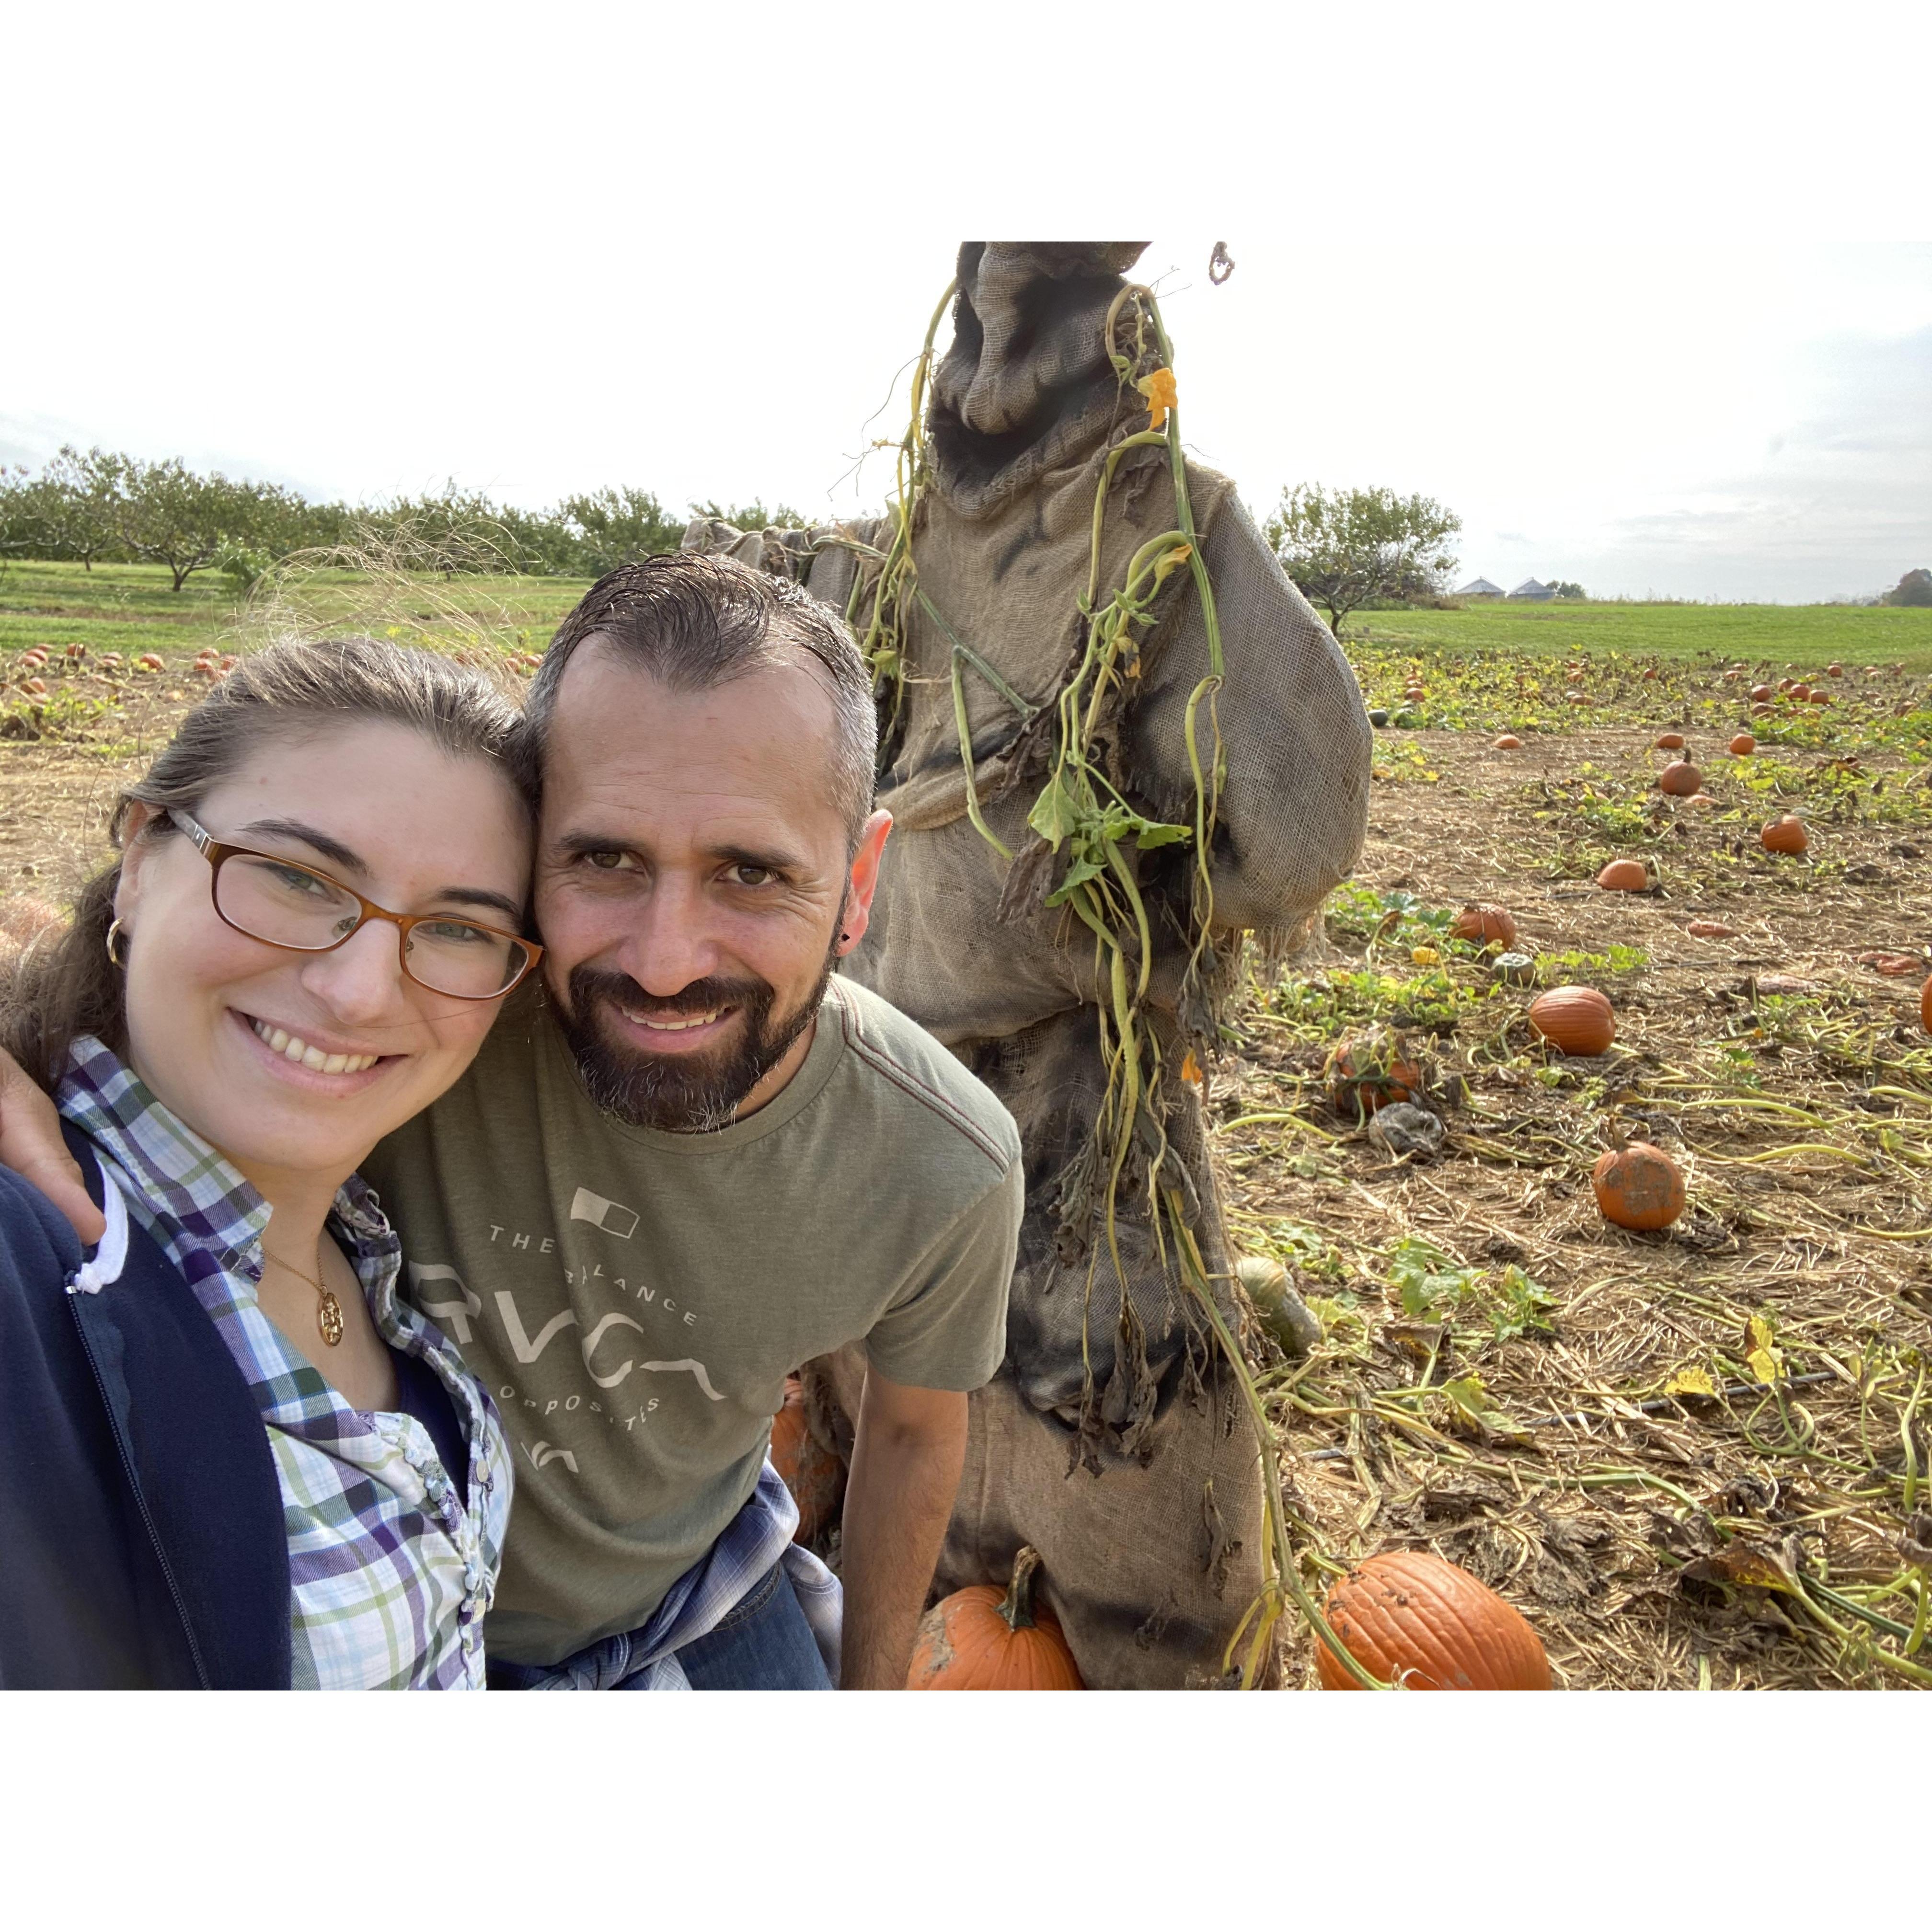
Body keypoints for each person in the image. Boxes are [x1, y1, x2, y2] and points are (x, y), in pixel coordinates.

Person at [2, 553, 1025, 1691]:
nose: (665, 961)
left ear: (861, 881)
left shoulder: (942, 1165)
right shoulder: (443, 1014)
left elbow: (912, 1432)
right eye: (604, 859)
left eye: (750, 873)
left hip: (699, 1596)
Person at [0, 638, 534, 1688]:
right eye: (294, 875)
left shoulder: (364, 1225)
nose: (360, 992)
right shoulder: (34, 1259)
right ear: (142, 857)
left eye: (461, 929)